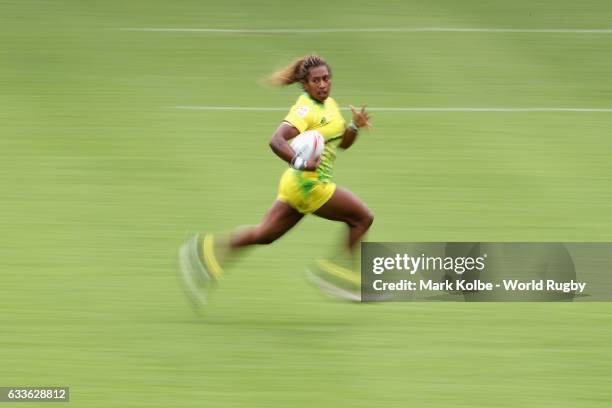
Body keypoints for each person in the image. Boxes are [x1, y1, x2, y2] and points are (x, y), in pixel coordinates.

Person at [178, 55, 373, 306]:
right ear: (304, 84)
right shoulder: (305, 109)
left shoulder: (331, 105)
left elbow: (342, 144)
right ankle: (337, 275)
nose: (323, 85)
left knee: (264, 235)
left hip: (296, 185)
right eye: (316, 81)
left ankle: (202, 251)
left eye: (326, 79)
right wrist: (301, 163)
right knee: (362, 218)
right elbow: (276, 140)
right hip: (309, 185)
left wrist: (354, 127)